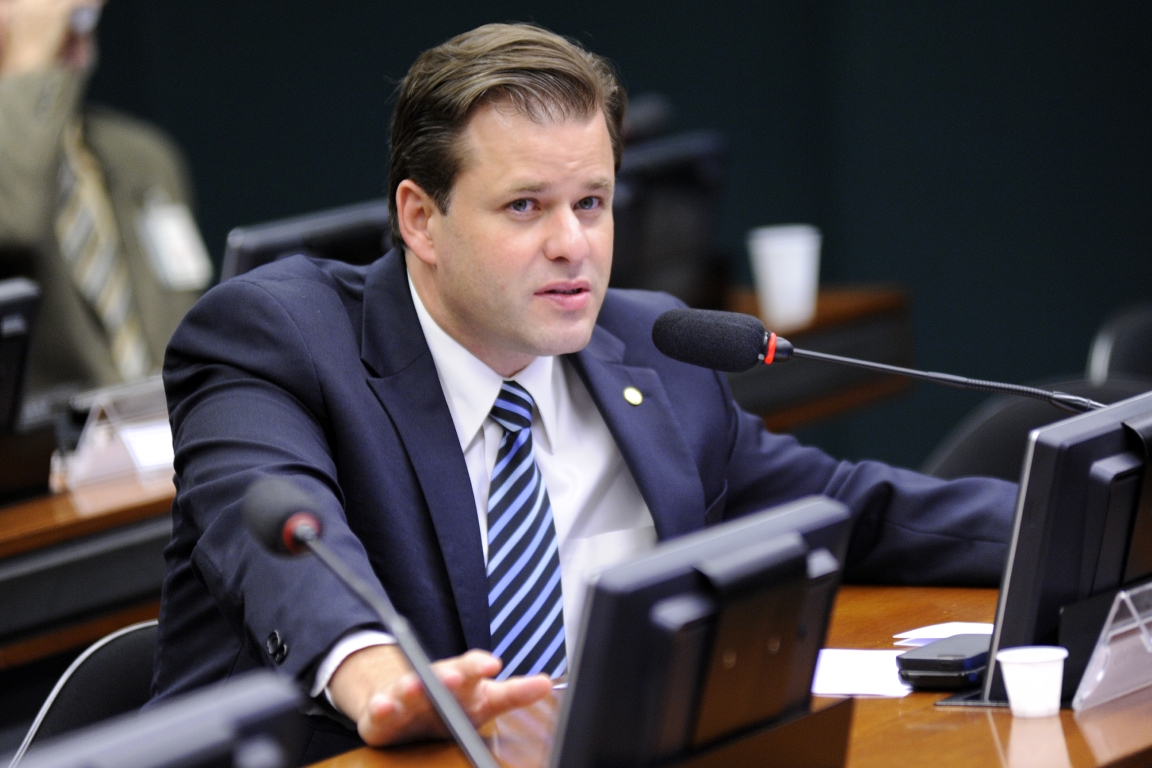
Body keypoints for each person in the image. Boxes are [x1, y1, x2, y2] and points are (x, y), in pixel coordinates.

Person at [151, 23, 1017, 764]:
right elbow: (280, 536)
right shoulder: (279, 338)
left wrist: (1060, 524)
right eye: (526, 207)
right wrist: (375, 673)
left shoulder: (654, 351)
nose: (574, 244)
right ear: (420, 219)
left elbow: (852, 510)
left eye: (592, 202)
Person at [0, 0, 210, 395]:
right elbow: (15, 224)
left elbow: (184, 312)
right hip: (54, 432)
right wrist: (30, 61)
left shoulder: (144, 157)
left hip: (169, 421)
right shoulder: (14, 172)